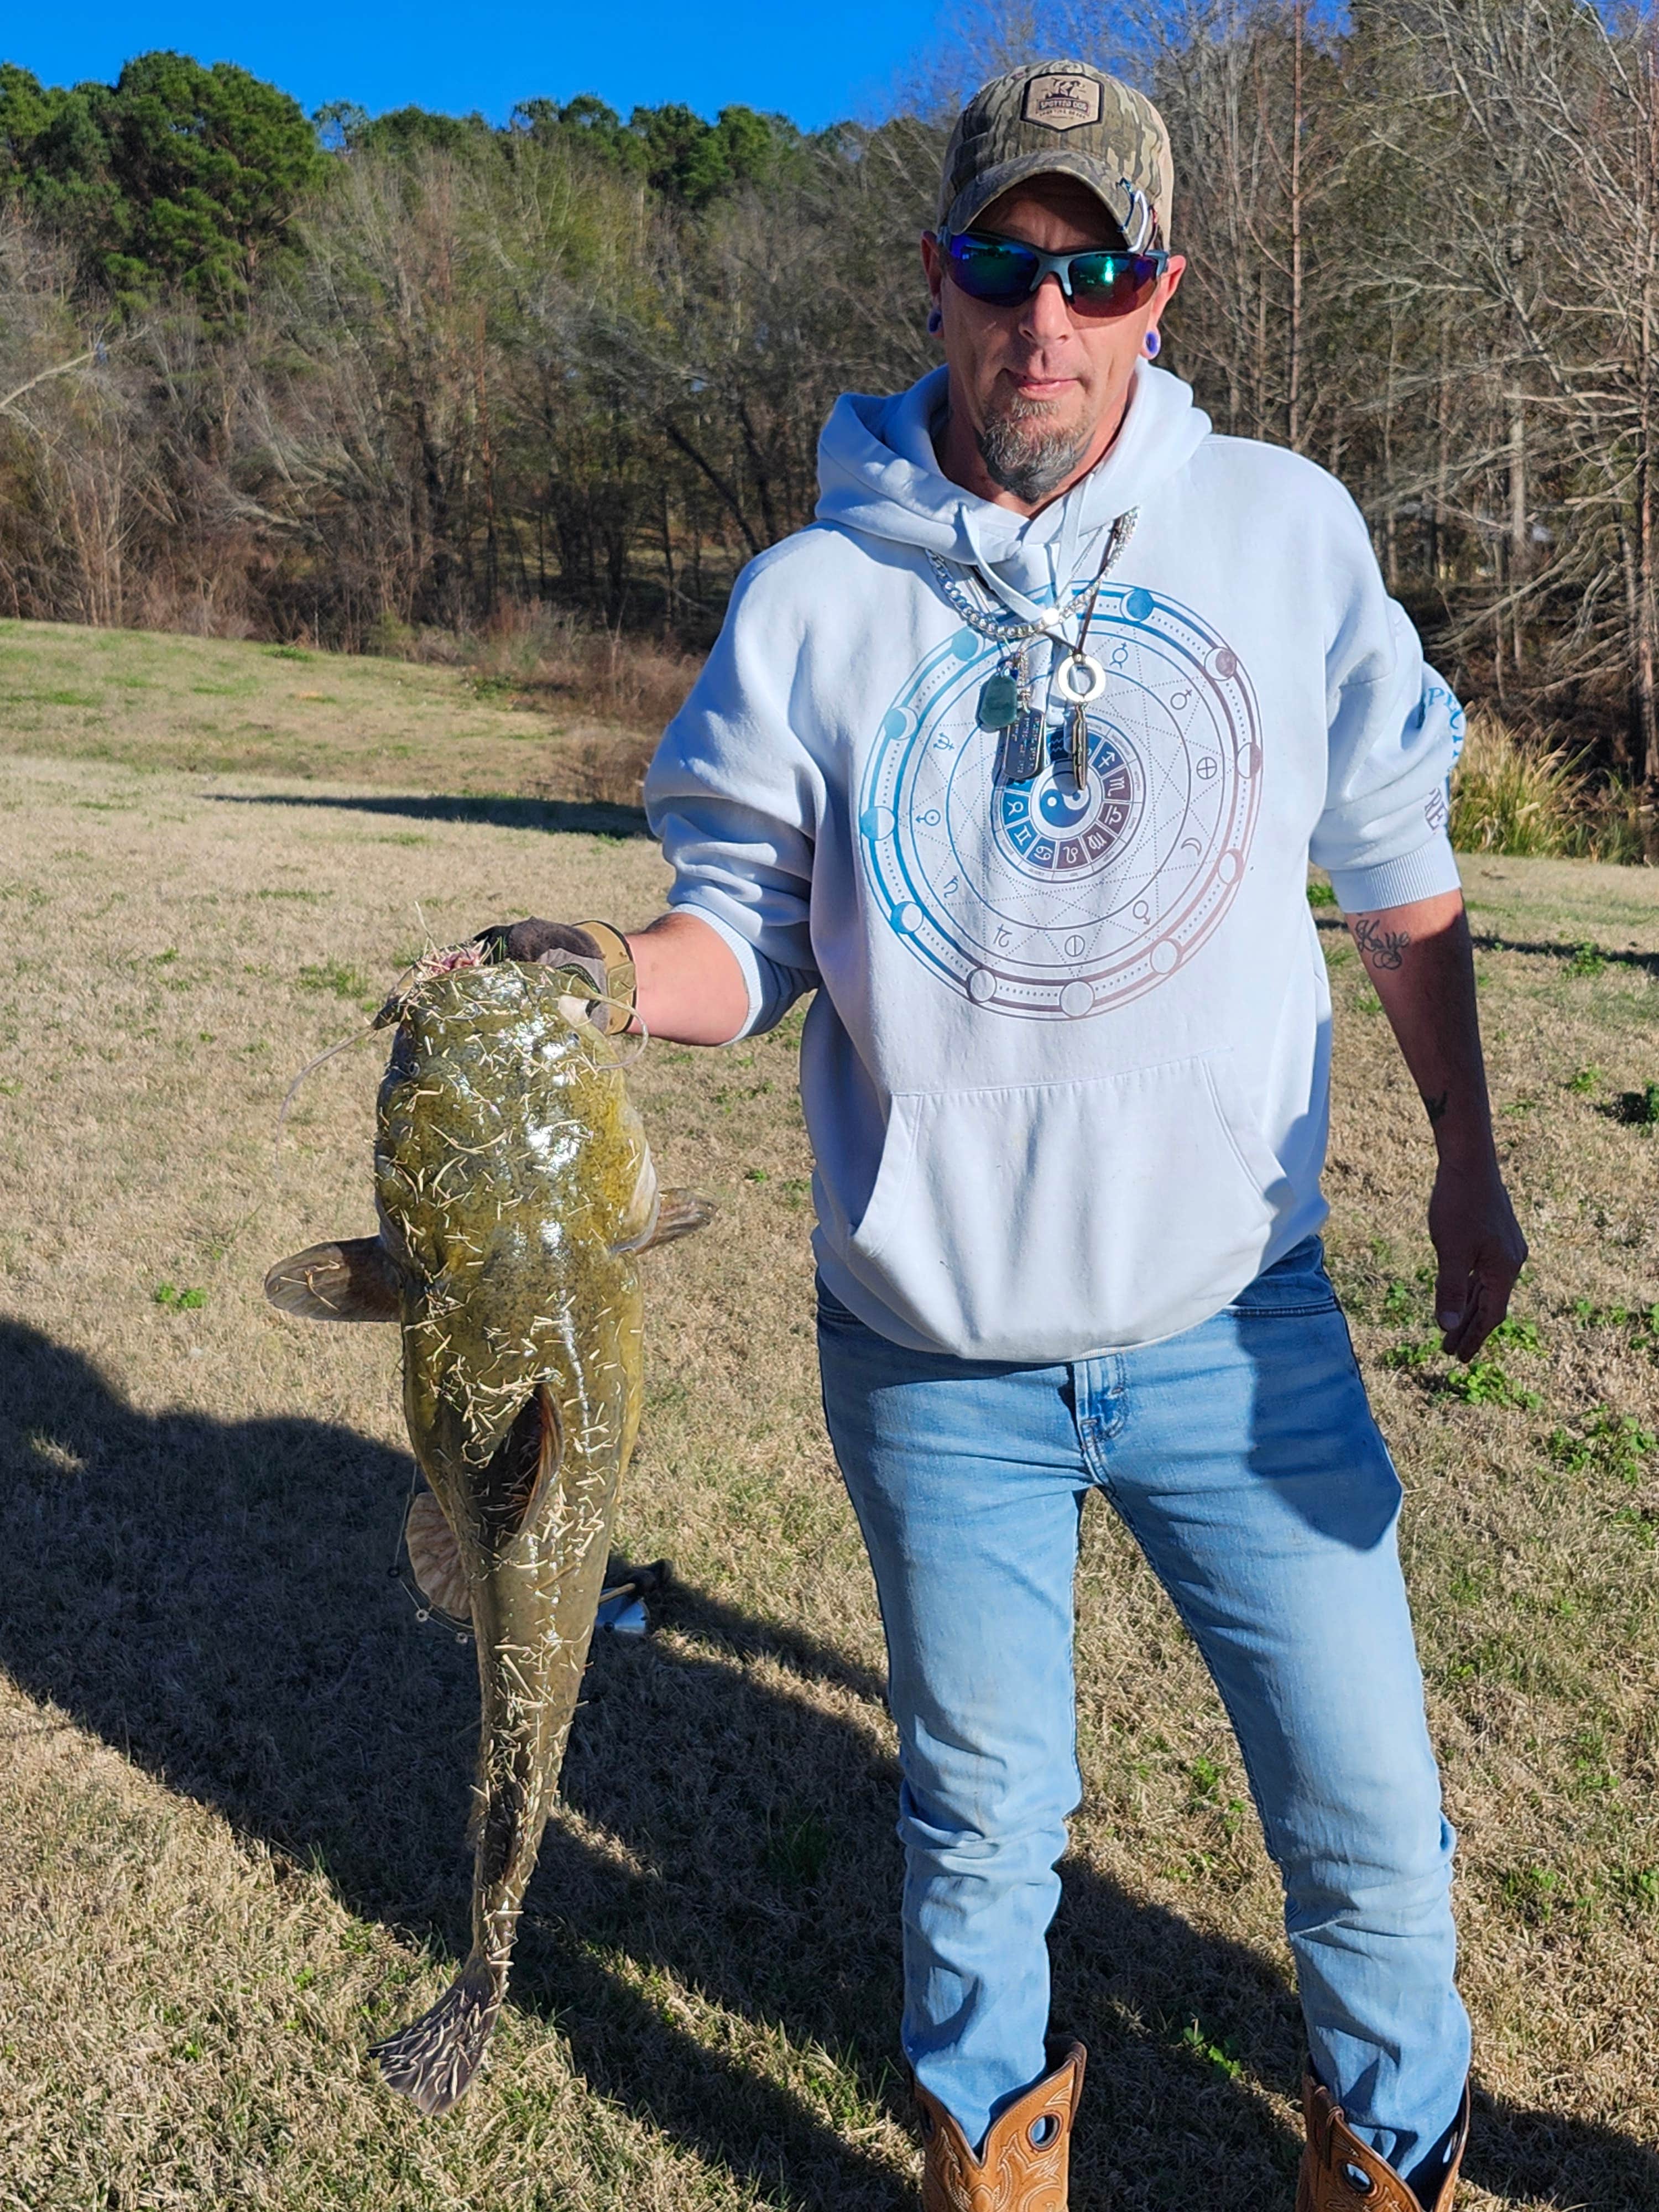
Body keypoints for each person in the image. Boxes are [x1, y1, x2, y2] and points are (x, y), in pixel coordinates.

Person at [483, 59, 1526, 2212]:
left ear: (1165, 289)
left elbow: (1403, 881)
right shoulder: (811, 600)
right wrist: (600, 971)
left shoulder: (1280, 539)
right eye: (1002, 264)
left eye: (1099, 268)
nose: (1045, 319)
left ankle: (1391, 2164)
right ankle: (994, 2169)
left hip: (1247, 1332)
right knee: (979, 1819)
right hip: (934, 1357)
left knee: (1363, 1807)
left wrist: (1469, 1160)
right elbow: (739, 930)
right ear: (937, 280)